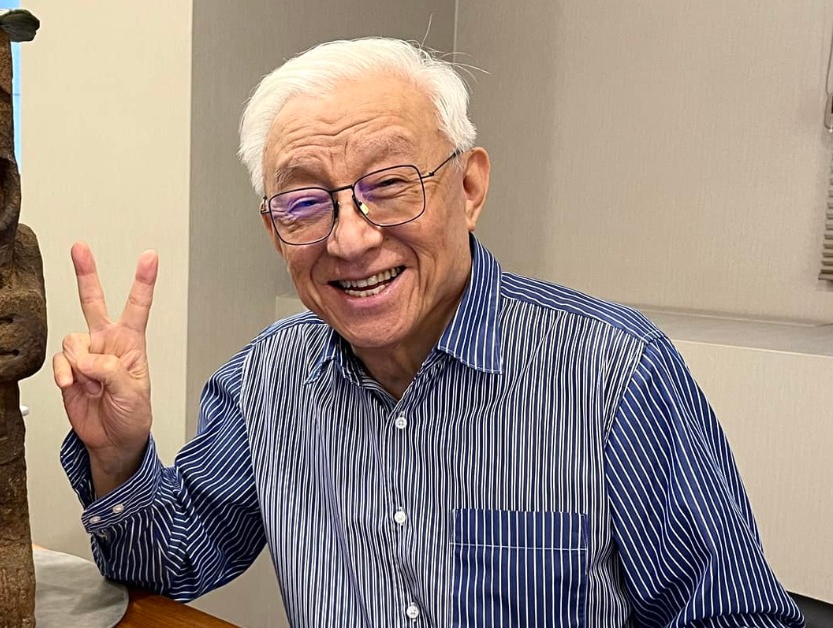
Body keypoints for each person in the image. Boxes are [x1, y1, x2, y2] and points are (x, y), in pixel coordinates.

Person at [52, 37, 803, 627]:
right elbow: (173, 565)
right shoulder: (265, 380)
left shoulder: (614, 372)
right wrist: (118, 455)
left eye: (389, 186)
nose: (350, 240)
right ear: (274, 231)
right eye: (305, 204)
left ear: (469, 188)